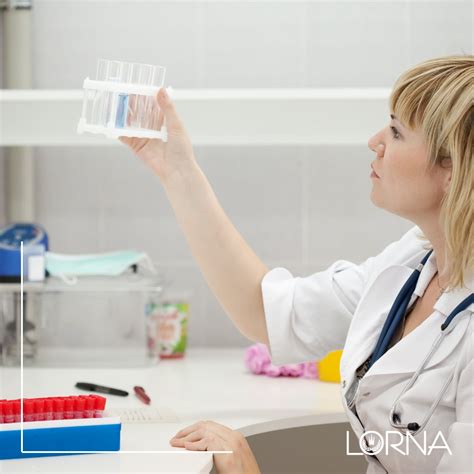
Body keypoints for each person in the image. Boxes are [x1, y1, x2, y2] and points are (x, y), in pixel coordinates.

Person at [120, 55, 473, 473]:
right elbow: (267, 313)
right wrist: (177, 171)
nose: (375, 141)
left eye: (396, 132)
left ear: (453, 168)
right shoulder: (411, 262)